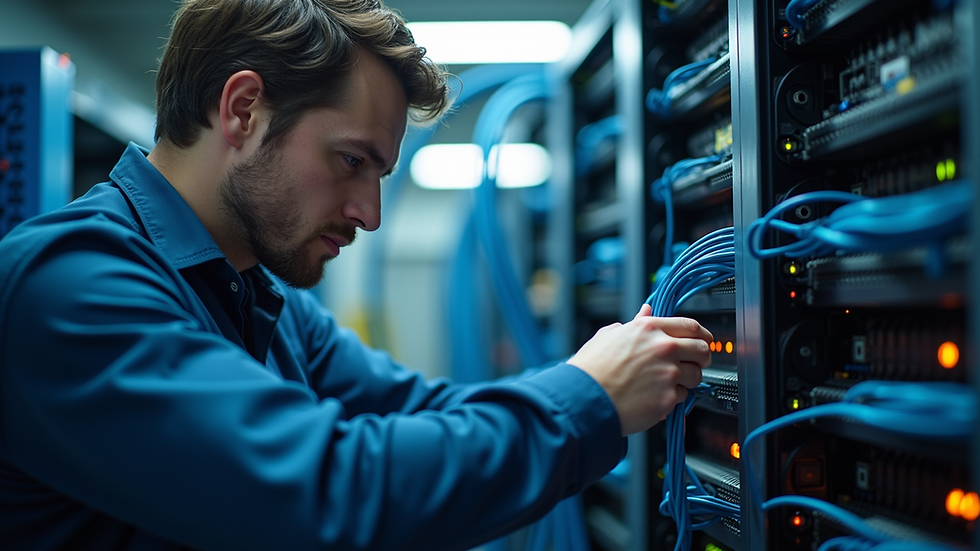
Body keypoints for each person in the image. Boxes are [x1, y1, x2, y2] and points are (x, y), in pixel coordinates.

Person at [0, 0, 713, 549]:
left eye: (380, 173)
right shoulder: (71, 285)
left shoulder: (254, 295)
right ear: (243, 110)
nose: (369, 214)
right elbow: (325, 493)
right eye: (351, 161)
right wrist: (587, 398)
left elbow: (416, 410)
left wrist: (599, 378)